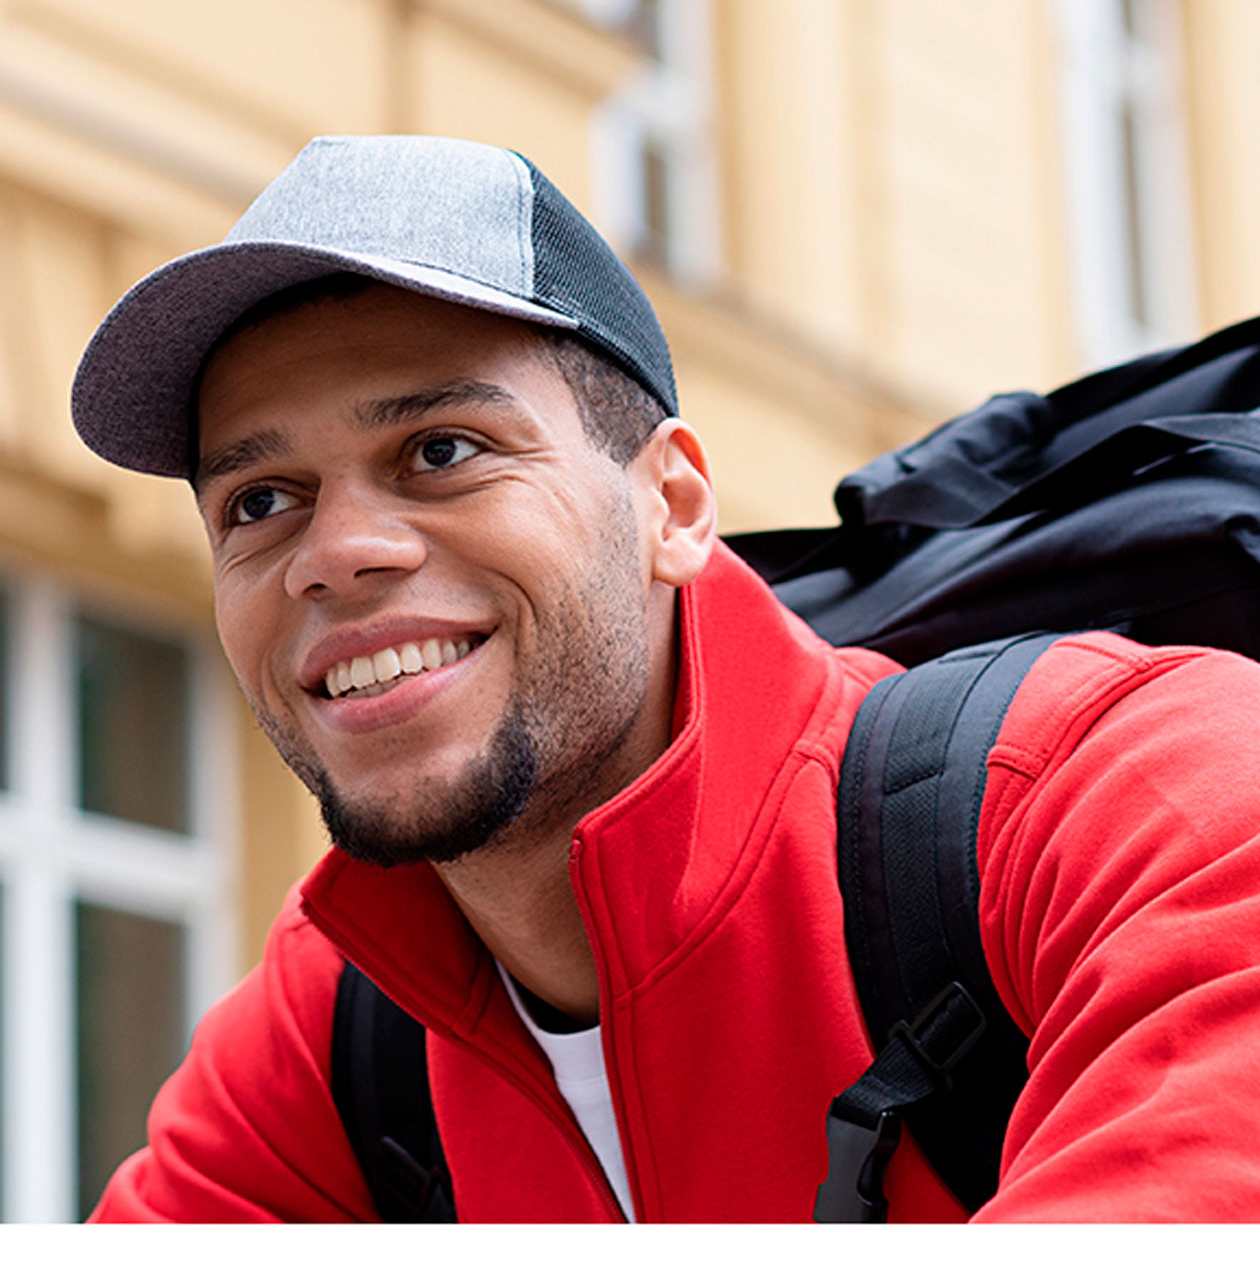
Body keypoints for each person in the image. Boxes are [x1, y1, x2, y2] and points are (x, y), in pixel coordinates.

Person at [72, 134, 1260, 1222]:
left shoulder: (1138, 789)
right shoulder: (341, 1019)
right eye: (259, 502)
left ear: (674, 505)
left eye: (442, 450)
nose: (335, 553)